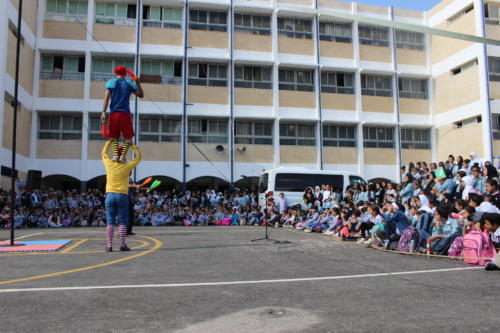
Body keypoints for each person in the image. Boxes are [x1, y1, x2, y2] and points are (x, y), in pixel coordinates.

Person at [102, 140, 142, 252]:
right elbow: (138, 158)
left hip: (110, 195)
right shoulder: (127, 166)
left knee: (110, 221)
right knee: (123, 221)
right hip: (122, 195)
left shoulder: (109, 163)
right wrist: (132, 145)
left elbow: (104, 153)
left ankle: (109, 246)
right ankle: (122, 245)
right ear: (123, 155)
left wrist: (110, 141)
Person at [101, 65, 144, 163]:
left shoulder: (111, 82)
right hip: (125, 114)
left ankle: (116, 156)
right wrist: (138, 83)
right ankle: (123, 157)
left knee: (113, 137)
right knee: (128, 138)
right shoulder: (129, 83)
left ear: (115, 74)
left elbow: (106, 99)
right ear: (125, 73)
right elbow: (141, 95)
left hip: (113, 114)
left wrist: (103, 111)